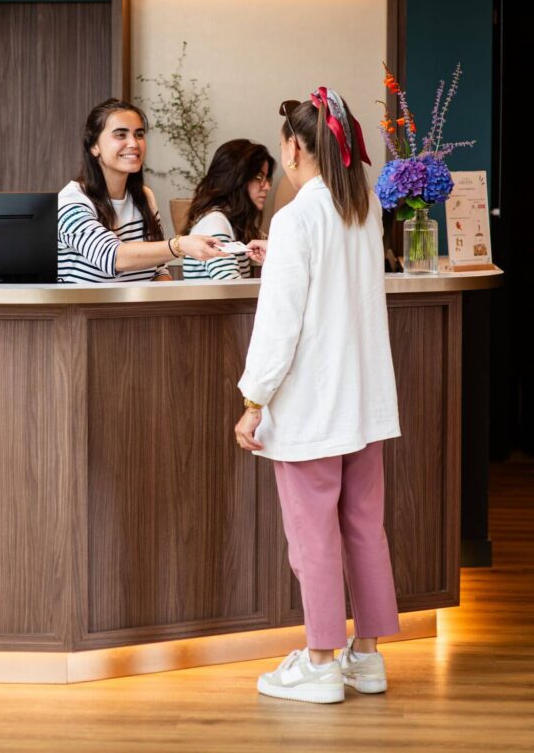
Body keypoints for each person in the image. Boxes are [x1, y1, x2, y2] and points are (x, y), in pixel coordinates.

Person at [235, 87, 401, 704]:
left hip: (313, 407)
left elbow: (279, 327)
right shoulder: (365, 208)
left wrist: (253, 401)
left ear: (295, 148)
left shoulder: (296, 217)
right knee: (364, 528)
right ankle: (367, 657)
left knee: (314, 537)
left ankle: (321, 662)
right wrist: (277, 254)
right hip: (364, 403)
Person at [58, 98, 222, 283]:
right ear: (94, 146)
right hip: (85, 304)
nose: (134, 143)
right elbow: (113, 257)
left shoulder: (145, 196)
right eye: (121, 135)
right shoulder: (71, 201)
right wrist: (180, 245)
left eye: (139, 134)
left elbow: (158, 269)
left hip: (140, 303)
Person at [182, 139, 275, 281]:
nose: (267, 186)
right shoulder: (215, 223)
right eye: (258, 177)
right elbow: (232, 287)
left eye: (267, 178)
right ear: (235, 179)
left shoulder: (233, 223)